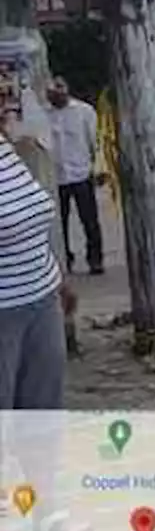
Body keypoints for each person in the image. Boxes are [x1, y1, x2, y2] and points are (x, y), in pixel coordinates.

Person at [0, 123, 76, 408]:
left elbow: (30, 219)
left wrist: (58, 280)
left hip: (43, 299)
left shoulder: (4, 147)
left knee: (43, 417)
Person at [47, 76, 103, 275]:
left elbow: (95, 141)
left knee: (89, 219)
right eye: (53, 90)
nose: (57, 93)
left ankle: (95, 259)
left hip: (81, 173)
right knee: (59, 222)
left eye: (60, 87)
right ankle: (65, 258)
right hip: (57, 177)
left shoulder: (84, 111)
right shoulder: (45, 114)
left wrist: (98, 169)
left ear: (67, 89)